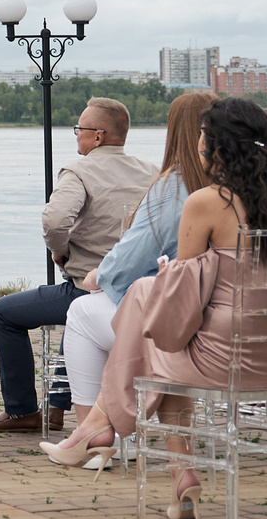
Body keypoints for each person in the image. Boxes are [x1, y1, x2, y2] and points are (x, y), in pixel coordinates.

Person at [92, 97, 267, 519]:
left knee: (156, 342)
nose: (196, 145)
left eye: (201, 137)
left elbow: (181, 299)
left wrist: (155, 283)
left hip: (226, 360)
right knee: (157, 331)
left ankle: (122, 431)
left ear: (217, 148)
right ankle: (168, 473)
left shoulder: (207, 201)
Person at [42, 89, 213, 469]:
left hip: (184, 332)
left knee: (86, 312)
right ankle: (142, 445)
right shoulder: (238, 189)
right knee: (122, 308)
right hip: (235, 328)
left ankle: (92, 433)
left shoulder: (174, 187)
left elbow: (131, 256)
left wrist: (99, 274)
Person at [0, 98, 154, 434]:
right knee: (78, 311)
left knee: (3, 313)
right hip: (141, 291)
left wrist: (60, 253)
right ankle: (56, 409)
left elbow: (56, 220)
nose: (76, 136)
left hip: (90, 285)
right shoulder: (153, 172)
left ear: (98, 136)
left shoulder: (80, 170)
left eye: (80, 130)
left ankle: (21, 410)